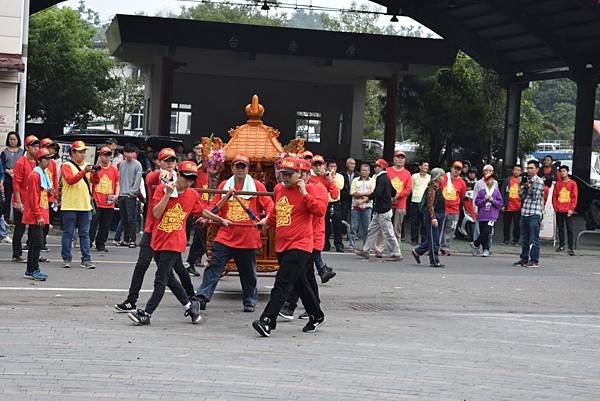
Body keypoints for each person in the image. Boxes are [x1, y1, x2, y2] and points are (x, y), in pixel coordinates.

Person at [114, 148, 197, 313]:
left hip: (170, 232)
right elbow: (152, 178)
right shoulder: (154, 177)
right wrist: (162, 177)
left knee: (174, 270)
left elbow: (192, 194)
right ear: (158, 163)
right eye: (165, 160)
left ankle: (191, 299)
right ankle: (132, 299)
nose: (169, 164)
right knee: (143, 265)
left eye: (172, 160)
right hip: (152, 228)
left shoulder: (181, 180)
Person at [252, 157, 326, 337]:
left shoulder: (312, 189)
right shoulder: (279, 189)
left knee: (282, 283)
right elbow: (277, 212)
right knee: (300, 284)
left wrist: (304, 194)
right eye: (283, 173)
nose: (285, 177)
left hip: (301, 244)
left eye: (289, 174)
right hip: (282, 245)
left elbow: (320, 211)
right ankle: (316, 315)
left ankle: (268, 321)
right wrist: (266, 222)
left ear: (301, 174)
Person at [127, 161, 205, 326]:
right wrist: (168, 194)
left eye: (192, 178)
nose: (189, 181)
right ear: (179, 174)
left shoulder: (192, 194)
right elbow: (156, 213)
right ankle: (190, 306)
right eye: (186, 177)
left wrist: (219, 219)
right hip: (159, 240)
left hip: (174, 242)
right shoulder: (163, 189)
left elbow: (202, 212)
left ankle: (147, 313)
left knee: (160, 279)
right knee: (169, 278)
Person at [196, 153, 274, 313]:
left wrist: (265, 220)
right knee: (214, 266)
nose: (240, 169)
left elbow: (270, 206)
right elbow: (214, 206)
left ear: (247, 169)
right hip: (225, 234)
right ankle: (202, 296)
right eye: (237, 166)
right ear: (232, 168)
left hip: (248, 236)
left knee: (248, 272)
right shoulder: (224, 185)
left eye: (243, 166)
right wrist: (205, 218)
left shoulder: (257, 186)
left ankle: (250, 300)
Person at [278, 158, 329, 321]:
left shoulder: (316, 189)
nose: (304, 177)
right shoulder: (293, 189)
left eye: (306, 173)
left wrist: (306, 194)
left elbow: (319, 210)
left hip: (312, 238)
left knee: (301, 274)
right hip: (300, 239)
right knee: (304, 275)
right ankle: (313, 309)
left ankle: (291, 306)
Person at [355, 159, 401, 261]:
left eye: (377, 166)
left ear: (381, 168)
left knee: (388, 232)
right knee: (372, 230)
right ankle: (366, 250)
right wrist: (391, 199)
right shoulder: (386, 178)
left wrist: (364, 201)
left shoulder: (381, 178)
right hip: (381, 210)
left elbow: (377, 193)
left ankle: (397, 253)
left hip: (383, 211)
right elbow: (394, 191)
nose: (375, 168)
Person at [60, 141, 96, 269]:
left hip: (85, 205)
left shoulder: (87, 166)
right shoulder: (66, 165)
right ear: (73, 153)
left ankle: (86, 259)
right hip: (69, 205)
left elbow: (95, 181)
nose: (83, 154)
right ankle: (66, 259)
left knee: (84, 234)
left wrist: (95, 173)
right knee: (68, 233)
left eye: (84, 152)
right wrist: (83, 172)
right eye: (80, 152)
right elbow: (70, 180)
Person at [22, 148, 54, 281]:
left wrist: (49, 191)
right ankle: (33, 269)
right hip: (36, 214)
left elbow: (40, 193)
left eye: (49, 158)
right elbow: (33, 197)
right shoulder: (36, 175)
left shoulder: (42, 174)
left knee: (36, 243)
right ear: (39, 160)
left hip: (40, 212)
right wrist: (38, 215)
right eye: (46, 158)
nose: (48, 161)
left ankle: (31, 269)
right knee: (37, 243)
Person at [308, 155, 337, 281]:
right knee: (311, 243)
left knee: (317, 241)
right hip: (309, 213)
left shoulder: (326, 178)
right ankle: (321, 268)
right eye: (316, 165)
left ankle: (321, 268)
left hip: (320, 213)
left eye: (320, 164)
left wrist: (330, 181)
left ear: (324, 165)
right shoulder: (308, 177)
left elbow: (335, 195)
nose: (318, 167)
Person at [11, 135, 39, 263]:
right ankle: (17, 254)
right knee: (20, 228)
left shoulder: (38, 162)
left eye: (37, 146)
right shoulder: (21, 162)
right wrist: (18, 201)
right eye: (33, 146)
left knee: (34, 229)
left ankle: (34, 255)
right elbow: (16, 183)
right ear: (27, 147)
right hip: (22, 200)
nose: (36, 149)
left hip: (33, 200)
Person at [412, 168, 446, 268]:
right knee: (434, 240)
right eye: (441, 176)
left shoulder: (437, 187)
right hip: (432, 215)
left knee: (433, 238)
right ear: (437, 177)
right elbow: (430, 205)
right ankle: (434, 260)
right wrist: (433, 217)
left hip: (438, 215)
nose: (443, 178)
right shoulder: (432, 188)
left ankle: (417, 251)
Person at [513, 160, 545, 268]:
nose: (529, 170)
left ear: (537, 169)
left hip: (534, 212)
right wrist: (522, 186)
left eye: (531, 168)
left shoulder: (539, 181)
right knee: (525, 238)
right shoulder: (526, 180)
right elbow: (521, 197)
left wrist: (528, 187)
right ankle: (524, 258)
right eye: (528, 168)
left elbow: (535, 196)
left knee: (534, 238)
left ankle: (534, 260)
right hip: (525, 211)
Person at [185, 140, 209, 276]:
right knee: (202, 239)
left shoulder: (213, 175)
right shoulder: (197, 172)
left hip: (210, 210)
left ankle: (190, 263)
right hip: (199, 210)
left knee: (200, 240)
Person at [89, 147, 120, 252]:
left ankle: (100, 244)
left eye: (108, 155)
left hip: (109, 201)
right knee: (93, 223)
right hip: (96, 200)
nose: (106, 157)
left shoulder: (114, 170)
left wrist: (116, 195)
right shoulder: (95, 168)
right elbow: (91, 182)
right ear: (100, 156)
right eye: (104, 155)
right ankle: (88, 242)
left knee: (105, 225)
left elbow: (117, 183)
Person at [470, 174, 503, 257]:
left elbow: (500, 204)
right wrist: (484, 200)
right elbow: (477, 202)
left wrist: (492, 200)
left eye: (492, 180)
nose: (491, 181)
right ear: (486, 181)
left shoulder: (496, 192)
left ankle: (479, 245)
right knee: (483, 233)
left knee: (487, 231)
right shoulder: (482, 192)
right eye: (489, 179)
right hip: (482, 215)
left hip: (492, 215)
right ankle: (483, 248)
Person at [117, 143, 143, 248]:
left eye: (131, 152)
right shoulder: (121, 164)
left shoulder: (138, 165)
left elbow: (137, 181)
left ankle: (133, 240)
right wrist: (118, 193)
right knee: (124, 218)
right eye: (127, 152)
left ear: (135, 153)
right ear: (124, 153)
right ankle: (126, 239)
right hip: (121, 194)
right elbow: (118, 179)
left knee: (131, 218)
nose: (129, 154)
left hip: (130, 196)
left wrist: (132, 193)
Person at [440, 161, 467, 256]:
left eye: (459, 169)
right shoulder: (443, 178)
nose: (456, 171)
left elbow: (462, 196)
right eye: (455, 168)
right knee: (439, 229)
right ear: (451, 168)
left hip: (454, 210)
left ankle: (445, 248)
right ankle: (436, 246)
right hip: (441, 209)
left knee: (450, 229)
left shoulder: (462, 183)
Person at [386, 150, 412, 245]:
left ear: (405, 160)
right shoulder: (387, 171)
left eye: (402, 158)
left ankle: (396, 248)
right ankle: (380, 248)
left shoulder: (407, 173)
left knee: (397, 229)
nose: (400, 160)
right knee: (383, 227)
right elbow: (384, 185)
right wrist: (389, 196)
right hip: (387, 203)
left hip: (401, 204)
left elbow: (408, 189)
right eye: (398, 157)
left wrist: (397, 195)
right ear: (394, 159)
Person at [39, 138, 59, 253]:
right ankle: (33, 242)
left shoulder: (52, 163)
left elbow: (55, 179)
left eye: (51, 147)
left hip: (49, 196)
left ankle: (43, 242)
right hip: (41, 195)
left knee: (47, 221)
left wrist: (55, 194)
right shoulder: (38, 163)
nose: (50, 149)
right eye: (47, 147)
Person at [552, 165, 578, 255]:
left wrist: (571, 209)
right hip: (559, 209)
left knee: (570, 228)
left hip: (568, 210)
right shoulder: (557, 184)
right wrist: (555, 207)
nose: (562, 173)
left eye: (564, 171)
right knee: (560, 228)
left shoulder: (572, 183)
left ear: (567, 172)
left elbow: (574, 197)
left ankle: (571, 247)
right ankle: (561, 245)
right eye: (561, 171)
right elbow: (554, 196)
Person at [1, 131, 24, 230]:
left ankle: (17, 219)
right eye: (10, 139)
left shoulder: (22, 152)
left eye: (14, 139)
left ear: (18, 140)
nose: (12, 141)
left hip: (19, 179)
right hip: (7, 179)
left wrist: (15, 171)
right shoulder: (4, 152)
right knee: (7, 199)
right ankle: (5, 219)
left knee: (17, 198)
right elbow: (1, 166)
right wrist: (8, 171)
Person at [349, 163, 374, 251]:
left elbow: (372, 193)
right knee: (353, 227)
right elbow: (353, 192)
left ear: (369, 172)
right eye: (362, 170)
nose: (364, 172)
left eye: (366, 170)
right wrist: (365, 195)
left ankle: (366, 247)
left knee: (367, 228)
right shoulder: (355, 180)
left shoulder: (372, 181)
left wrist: (361, 194)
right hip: (355, 207)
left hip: (367, 207)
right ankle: (351, 245)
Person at [473, 164, 497, 244]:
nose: (488, 172)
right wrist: (475, 209)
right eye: (486, 170)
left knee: (489, 230)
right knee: (478, 230)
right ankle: (476, 247)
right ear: (483, 172)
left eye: (490, 171)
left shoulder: (495, 183)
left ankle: (487, 248)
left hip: (491, 211)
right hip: (481, 210)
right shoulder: (479, 183)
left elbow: (497, 197)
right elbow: (475, 197)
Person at [324, 160, 345, 252]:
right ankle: (325, 244)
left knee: (337, 224)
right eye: (331, 166)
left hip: (335, 202)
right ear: (327, 167)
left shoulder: (340, 176)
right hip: (326, 202)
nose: (332, 168)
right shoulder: (324, 175)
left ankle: (339, 244)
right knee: (325, 224)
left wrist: (332, 178)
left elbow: (340, 186)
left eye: (334, 166)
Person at [409, 161, 430, 245]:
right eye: (424, 165)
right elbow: (412, 188)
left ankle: (424, 240)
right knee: (414, 221)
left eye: (427, 166)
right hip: (415, 201)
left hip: (425, 202)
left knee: (424, 222)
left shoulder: (430, 177)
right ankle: (414, 239)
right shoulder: (414, 176)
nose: (426, 167)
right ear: (420, 167)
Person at [501, 165, 522, 246]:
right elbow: (503, 192)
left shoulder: (522, 181)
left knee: (517, 225)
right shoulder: (507, 180)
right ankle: (506, 240)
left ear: (521, 172)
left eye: (518, 170)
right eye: (515, 169)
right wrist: (502, 205)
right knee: (506, 224)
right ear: (513, 171)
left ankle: (515, 240)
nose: (516, 171)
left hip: (518, 206)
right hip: (508, 206)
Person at [340, 157, 357, 238]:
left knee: (354, 216)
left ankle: (354, 234)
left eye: (354, 164)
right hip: (344, 198)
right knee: (344, 215)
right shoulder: (342, 174)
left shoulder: (357, 175)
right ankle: (343, 233)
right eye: (351, 163)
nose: (353, 165)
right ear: (347, 164)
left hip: (354, 198)